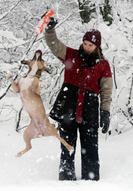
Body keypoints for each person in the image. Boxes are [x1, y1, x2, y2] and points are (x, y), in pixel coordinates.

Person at [44, 18, 113, 181]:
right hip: (69, 106)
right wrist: (49, 31)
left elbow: (106, 90)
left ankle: (91, 180)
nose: (87, 47)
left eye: (91, 45)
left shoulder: (103, 65)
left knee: (90, 147)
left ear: (97, 47)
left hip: (89, 109)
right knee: (67, 145)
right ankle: (66, 177)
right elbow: (54, 45)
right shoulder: (71, 55)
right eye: (85, 44)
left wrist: (105, 112)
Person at [7, 50, 74, 157]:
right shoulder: (21, 79)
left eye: (40, 60)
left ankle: (66, 145)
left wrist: (40, 85)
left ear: (43, 68)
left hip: (41, 119)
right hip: (32, 120)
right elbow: (16, 90)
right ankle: (27, 148)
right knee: (26, 136)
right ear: (28, 63)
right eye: (34, 59)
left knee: (55, 134)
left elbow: (37, 92)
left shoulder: (36, 80)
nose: (37, 59)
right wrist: (11, 79)